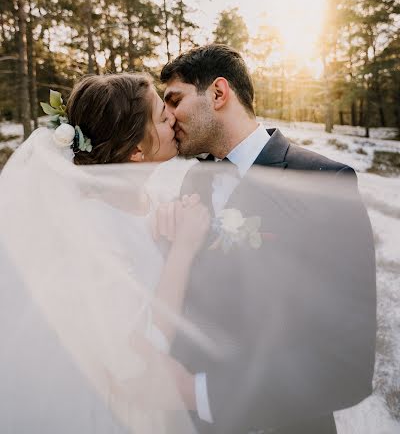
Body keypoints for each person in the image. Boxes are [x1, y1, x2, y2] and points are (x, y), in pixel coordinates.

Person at [160, 44, 377, 434]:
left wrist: (202, 394)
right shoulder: (195, 180)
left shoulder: (323, 182)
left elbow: (347, 362)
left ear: (218, 93)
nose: (167, 115)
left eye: (174, 100)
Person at [0, 73, 208, 434]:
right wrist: (184, 249)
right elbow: (138, 356)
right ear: (136, 151)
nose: (173, 117)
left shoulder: (152, 199)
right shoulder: (90, 229)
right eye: (161, 116)